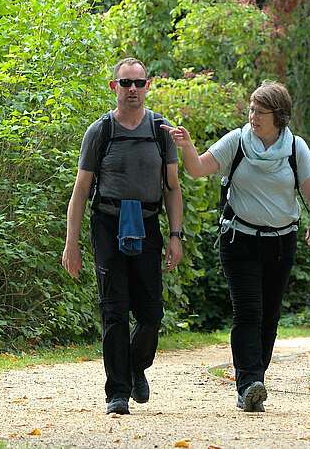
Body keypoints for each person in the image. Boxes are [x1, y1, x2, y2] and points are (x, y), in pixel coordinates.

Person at [166, 80, 310, 413]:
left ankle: (256, 380)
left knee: (270, 314)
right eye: (251, 109)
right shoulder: (237, 142)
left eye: (260, 111)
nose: (253, 116)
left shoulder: (296, 148)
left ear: (278, 116)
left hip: (282, 242)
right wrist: (187, 146)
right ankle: (248, 383)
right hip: (239, 239)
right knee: (248, 310)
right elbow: (197, 170)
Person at [61, 58, 184, 415]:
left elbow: (173, 187)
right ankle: (117, 392)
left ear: (148, 86)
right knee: (114, 311)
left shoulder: (161, 130)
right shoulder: (100, 131)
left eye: (139, 83)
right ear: (114, 87)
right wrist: (72, 243)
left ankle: (134, 367)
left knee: (151, 314)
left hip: (148, 224)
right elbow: (81, 190)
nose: (133, 89)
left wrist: (176, 236)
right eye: (126, 83)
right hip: (108, 225)